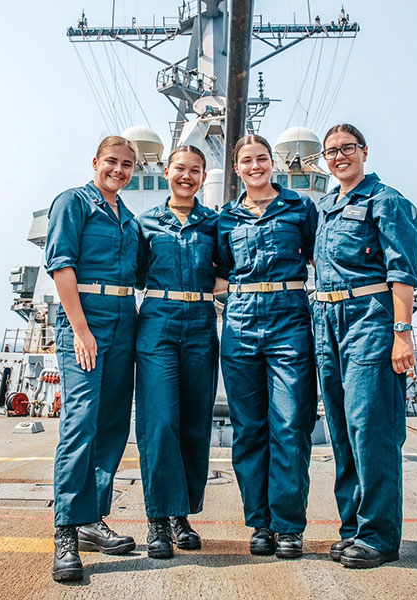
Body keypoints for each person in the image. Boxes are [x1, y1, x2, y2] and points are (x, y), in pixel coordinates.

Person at [312, 123, 417, 569]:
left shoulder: (387, 201)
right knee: (341, 428)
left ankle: (379, 536)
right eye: (332, 151)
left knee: (370, 428)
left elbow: (404, 272)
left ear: (364, 152)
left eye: (347, 149)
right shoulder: (324, 207)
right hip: (326, 319)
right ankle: (353, 527)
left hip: (370, 319)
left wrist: (402, 332)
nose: (340, 157)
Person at [216, 134, 317, 559]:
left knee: (291, 425)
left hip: (289, 318)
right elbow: (216, 272)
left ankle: (289, 526)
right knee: (250, 429)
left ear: (272, 162)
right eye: (246, 160)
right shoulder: (225, 218)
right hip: (239, 322)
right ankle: (260, 524)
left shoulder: (301, 208)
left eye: (261, 159)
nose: (255, 166)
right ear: (236, 167)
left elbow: (321, 259)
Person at [45, 136, 140, 582]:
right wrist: (81, 331)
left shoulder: (128, 218)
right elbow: (62, 265)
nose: (118, 170)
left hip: (125, 320)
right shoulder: (73, 202)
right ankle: (66, 530)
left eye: (126, 165)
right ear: (96, 162)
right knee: (81, 423)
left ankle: (91, 520)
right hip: (87, 321)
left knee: (112, 424)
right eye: (112, 162)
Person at [135, 145, 219, 559]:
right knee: (161, 422)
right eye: (180, 169)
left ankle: (181, 515)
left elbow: (228, 271)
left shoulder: (214, 224)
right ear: (167, 171)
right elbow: (129, 272)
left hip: (202, 324)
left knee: (194, 424)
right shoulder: (145, 222)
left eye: (196, 170)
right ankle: (157, 520)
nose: (187, 176)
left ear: (204, 176)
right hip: (158, 323)